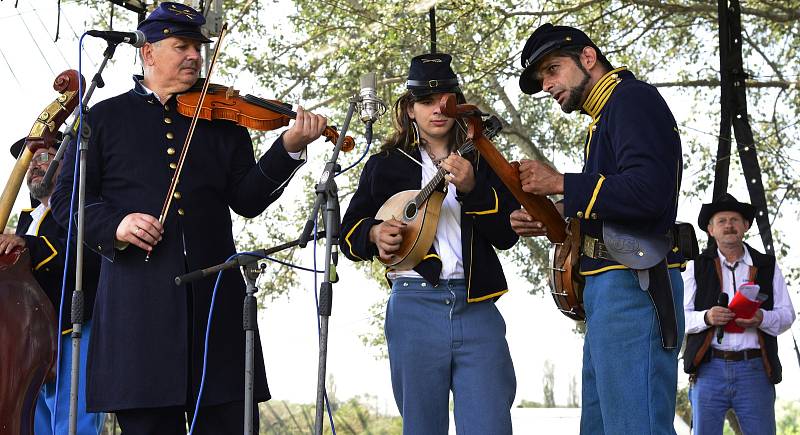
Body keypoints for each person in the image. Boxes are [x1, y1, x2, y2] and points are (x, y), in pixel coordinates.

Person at [50, 3, 327, 433]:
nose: (195, 56)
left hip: (218, 321)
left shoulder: (223, 121)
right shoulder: (102, 119)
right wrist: (116, 225)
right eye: (182, 46)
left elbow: (248, 199)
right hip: (138, 325)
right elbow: (67, 200)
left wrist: (288, 148)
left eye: (199, 47)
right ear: (148, 53)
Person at [512, 24, 685, 434]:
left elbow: (649, 193)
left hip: (633, 283)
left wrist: (561, 183)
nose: (547, 85)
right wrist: (556, 213)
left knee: (633, 426)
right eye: (541, 80)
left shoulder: (632, 100)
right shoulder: (607, 115)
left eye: (552, 70)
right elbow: (617, 199)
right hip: (612, 287)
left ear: (587, 58)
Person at [340, 52, 518, 434]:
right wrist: (373, 233)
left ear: (457, 104)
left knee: (491, 426)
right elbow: (348, 234)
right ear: (409, 109)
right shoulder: (384, 164)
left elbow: (507, 235)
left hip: (478, 306)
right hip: (413, 305)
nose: (437, 109)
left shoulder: (483, 158)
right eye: (425, 101)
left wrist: (472, 188)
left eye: (446, 100)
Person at [1, 139, 103, 434]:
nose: (34, 165)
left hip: (74, 327)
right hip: (31, 343)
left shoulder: (79, 209)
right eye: (29, 160)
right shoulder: (26, 220)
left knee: (73, 424)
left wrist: (29, 245)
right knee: (34, 424)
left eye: (44, 156)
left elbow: (86, 255)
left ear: (67, 162)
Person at [683, 193, 795, 435]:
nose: (729, 225)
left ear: (745, 226)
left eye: (735, 219)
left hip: (754, 368)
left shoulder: (766, 266)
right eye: (721, 220)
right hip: (708, 369)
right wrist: (707, 317)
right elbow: (680, 318)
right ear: (711, 230)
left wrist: (761, 319)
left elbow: (788, 315)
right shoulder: (696, 266)